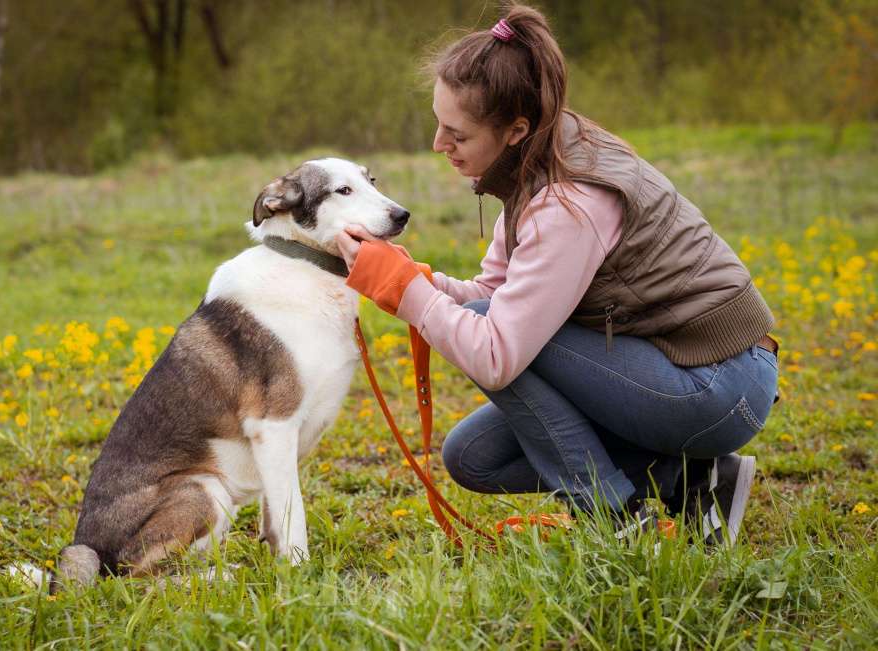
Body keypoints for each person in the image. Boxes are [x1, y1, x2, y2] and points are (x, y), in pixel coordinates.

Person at [334, 4, 779, 546]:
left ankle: (612, 519)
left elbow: (496, 352)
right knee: (474, 458)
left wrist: (409, 294)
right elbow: (495, 295)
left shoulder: (569, 203)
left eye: (457, 134)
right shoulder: (536, 158)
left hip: (717, 384)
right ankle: (690, 479)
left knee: (489, 336)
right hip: (666, 366)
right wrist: (409, 277)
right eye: (438, 123)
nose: (438, 144)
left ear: (516, 129)